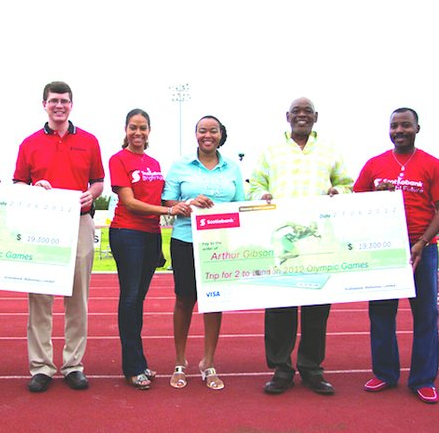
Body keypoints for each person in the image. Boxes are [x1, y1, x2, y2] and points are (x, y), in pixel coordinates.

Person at [354, 107, 439, 404]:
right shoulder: (375, 164)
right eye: (394, 126)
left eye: (405, 125)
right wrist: (379, 195)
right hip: (384, 249)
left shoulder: (432, 164)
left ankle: (423, 378)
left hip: (422, 248)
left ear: (417, 129)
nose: (399, 130)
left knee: (425, 315)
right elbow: (357, 202)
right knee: (381, 313)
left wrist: (423, 242)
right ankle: (385, 373)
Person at [249, 97, 353, 395]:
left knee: (316, 307)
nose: (302, 116)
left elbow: (347, 183)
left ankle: (311, 368)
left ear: (316, 117)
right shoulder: (271, 151)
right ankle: (281, 368)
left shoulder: (330, 151)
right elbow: (255, 184)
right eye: (297, 112)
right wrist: (262, 196)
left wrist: (338, 190)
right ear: (287, 116)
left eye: (307, 111)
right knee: (280, 306)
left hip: (318, 238)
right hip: (282, 239)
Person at [14, 81, 104, 393]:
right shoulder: (29, 143)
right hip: (42, 227)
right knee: (39, 299)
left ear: (71, 104)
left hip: (79, 223)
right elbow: (18, 184)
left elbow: (97, 182)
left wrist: (90, 196)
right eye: (53, 101)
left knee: (77, 298)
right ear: (44, 104)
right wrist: (32, 188)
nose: (59, 106)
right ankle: (41, 366)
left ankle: (73, 364)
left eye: (64, 101)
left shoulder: (89, 141)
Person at [108, 109, 191, 390]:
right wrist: (168, 210)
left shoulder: (154, 162)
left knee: (138, 299)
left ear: (149, 131)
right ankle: (132, 366)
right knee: (130, 298)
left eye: (143, 128)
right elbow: (130, 202)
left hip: (151, 235)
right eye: (133, 127)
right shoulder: (118, 160)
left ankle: (139, 361)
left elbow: (169, 198)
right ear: (126, 129)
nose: (138, 133)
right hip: (126, 233)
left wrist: (189, 204)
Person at [162, 115, 245, 390]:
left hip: (220, 242)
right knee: (184, 300)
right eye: (201, 131)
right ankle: (179, 362)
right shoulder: (180, 166)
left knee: (214, 300)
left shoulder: (232, 168)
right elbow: (168, 201)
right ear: (195, 134)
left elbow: (240, 206)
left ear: (221, 134)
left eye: (212, 131)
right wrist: (187, 203)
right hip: (185, 239)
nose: (207, 135)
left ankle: (208, 362)